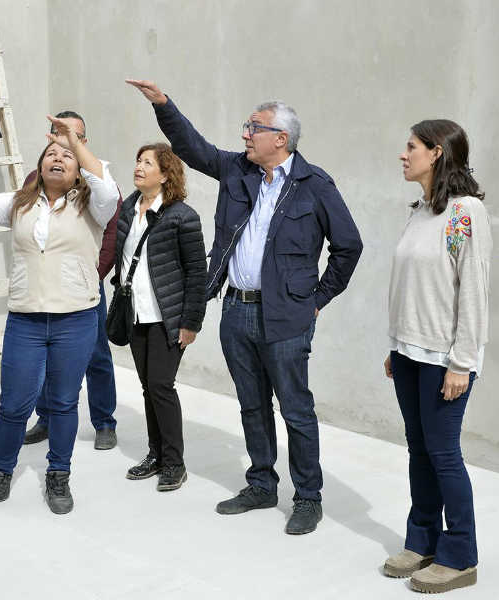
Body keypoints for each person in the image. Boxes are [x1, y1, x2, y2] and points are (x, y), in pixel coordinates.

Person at [126, 80, 363, 534]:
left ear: (281, 138)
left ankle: (308, 497)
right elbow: (193, 149)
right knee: (251, 406)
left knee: (295, 409)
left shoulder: (315, 185)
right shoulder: (238, 171)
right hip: (236, 310)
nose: (245, 135)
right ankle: (261, 484)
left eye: (253, 128)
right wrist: (164, 106)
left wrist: (316, 300)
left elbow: (349, 246)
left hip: (287, 316)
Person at [0, 115, 119, 515]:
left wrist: (73, 141)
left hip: (75, 320)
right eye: (51, 153)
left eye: (67, 154)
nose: (58, 158)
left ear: (79, 166)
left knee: (64, 403)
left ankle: (58, 475)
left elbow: (109, 189)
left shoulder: (92, 205)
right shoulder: (19, 203)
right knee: (14, 405)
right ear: (39, 164)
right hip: (26, 320)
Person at [382, 120, 491, 593]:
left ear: (438, 152)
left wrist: (461, 361)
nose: (403, 155)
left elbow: (473, 291)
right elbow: (411, 288)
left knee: (444, 455)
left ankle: (460, 554)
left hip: (444, 359)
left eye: (411, 147)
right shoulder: (423, 210)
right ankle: (422, 540)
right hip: (409, 353)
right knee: (419, 451)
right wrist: (396, 345)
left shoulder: (464, 213)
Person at [21, 110, 121, 451]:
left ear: (84, 141)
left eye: (73, 134)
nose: (65, 139)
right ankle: (47, 417)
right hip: (45, 289)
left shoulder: (98, 177)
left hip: (84, 287)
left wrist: (90, 276)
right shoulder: (36, 177)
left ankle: (104, 421)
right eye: (59, 132)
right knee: (48, 356)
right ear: (49, 137)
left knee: (96, 356)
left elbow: (111, 236)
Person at [116, 143, 206, 491]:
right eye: (138, 160)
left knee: (160, 386)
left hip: (168, 317)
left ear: (165, 174)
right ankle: (155, 455)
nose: (138, 167)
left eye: (147, 163)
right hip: (136, 314)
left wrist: (190, 323)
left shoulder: (182, 216)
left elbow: (197, 272)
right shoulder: (128, 209)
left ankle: (174, 462)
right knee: (147, 388)